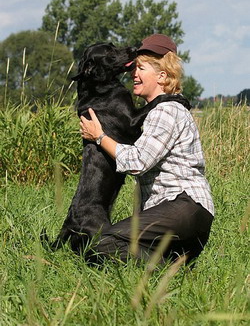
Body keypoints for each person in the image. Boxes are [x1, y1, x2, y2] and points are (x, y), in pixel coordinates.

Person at [79, 34, 214, 266]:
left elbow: (137, 162)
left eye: (141, 68)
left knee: (101, 245)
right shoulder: (160, 110)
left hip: (182, 206)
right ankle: (175, 267)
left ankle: (168, 269)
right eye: (134, 69)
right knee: (116, 247)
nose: (134, 74)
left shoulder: (165, 111)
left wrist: (99, 136)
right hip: (187, 215)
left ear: (162, 76)